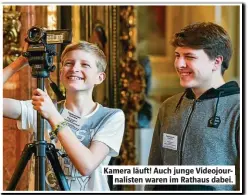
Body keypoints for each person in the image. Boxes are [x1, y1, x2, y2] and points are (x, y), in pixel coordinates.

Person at [3, 41, 125, 191]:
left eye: (85, 65)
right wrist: (22, 60)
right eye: (69, 63)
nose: (75, 69)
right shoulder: (42, 108)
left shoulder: (111, 117)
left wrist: (53, 115)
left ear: (99, 77)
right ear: (61, 73)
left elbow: (87, 165)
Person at [145, 22, 240, 191]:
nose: (179, 64)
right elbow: (155, 169)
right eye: (177, 55)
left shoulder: (239, 110)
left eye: (189, 57)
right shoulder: (169, 106)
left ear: (216, 62)